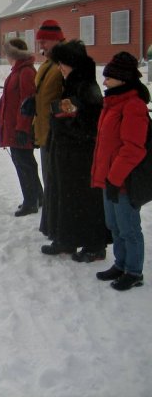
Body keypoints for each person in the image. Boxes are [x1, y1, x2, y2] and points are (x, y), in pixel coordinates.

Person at [40, 40, 111, 261]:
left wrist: (63, 123)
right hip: (67, 154)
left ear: (74, 64)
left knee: (86, 200)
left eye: (63, 64)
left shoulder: (87, 87)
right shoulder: (71, 83)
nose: (60, 68)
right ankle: (66, 239)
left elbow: (90, 124)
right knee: (66, 197)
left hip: (81, 156)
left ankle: (95, 245)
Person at [92, 52, 149, 290]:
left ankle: (134, 271)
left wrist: (115, 178)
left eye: (108, 78)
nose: (104, 82)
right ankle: (121, 263)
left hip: (123, 181)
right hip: (110, 179)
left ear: (122, 79)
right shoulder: (113, 103)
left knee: (129, 229)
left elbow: (133, 148)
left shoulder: (133, 106)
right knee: (114, 226)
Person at [0, 38, 42, 216]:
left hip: (19, 129)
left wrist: (22, 128)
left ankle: (31, 202)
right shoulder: (16, 72)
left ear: (14, 54)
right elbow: (5, 100)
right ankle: (38, 198)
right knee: (25, 163)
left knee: (24, 164)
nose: (6, 56)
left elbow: (27, 103)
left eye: (7, 52)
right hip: (13, 127)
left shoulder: (26, 72)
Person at [33, 20, 66, 233]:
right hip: (45, 132)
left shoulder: (64, 64)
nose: (41, 45)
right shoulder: (48, 64)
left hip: (58, 134)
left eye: (44, 41)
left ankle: (59, 227)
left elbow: (73, 100)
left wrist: (55, 112)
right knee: (49, 181)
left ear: (55, 39)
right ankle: (52, 225)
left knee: (57, 183)